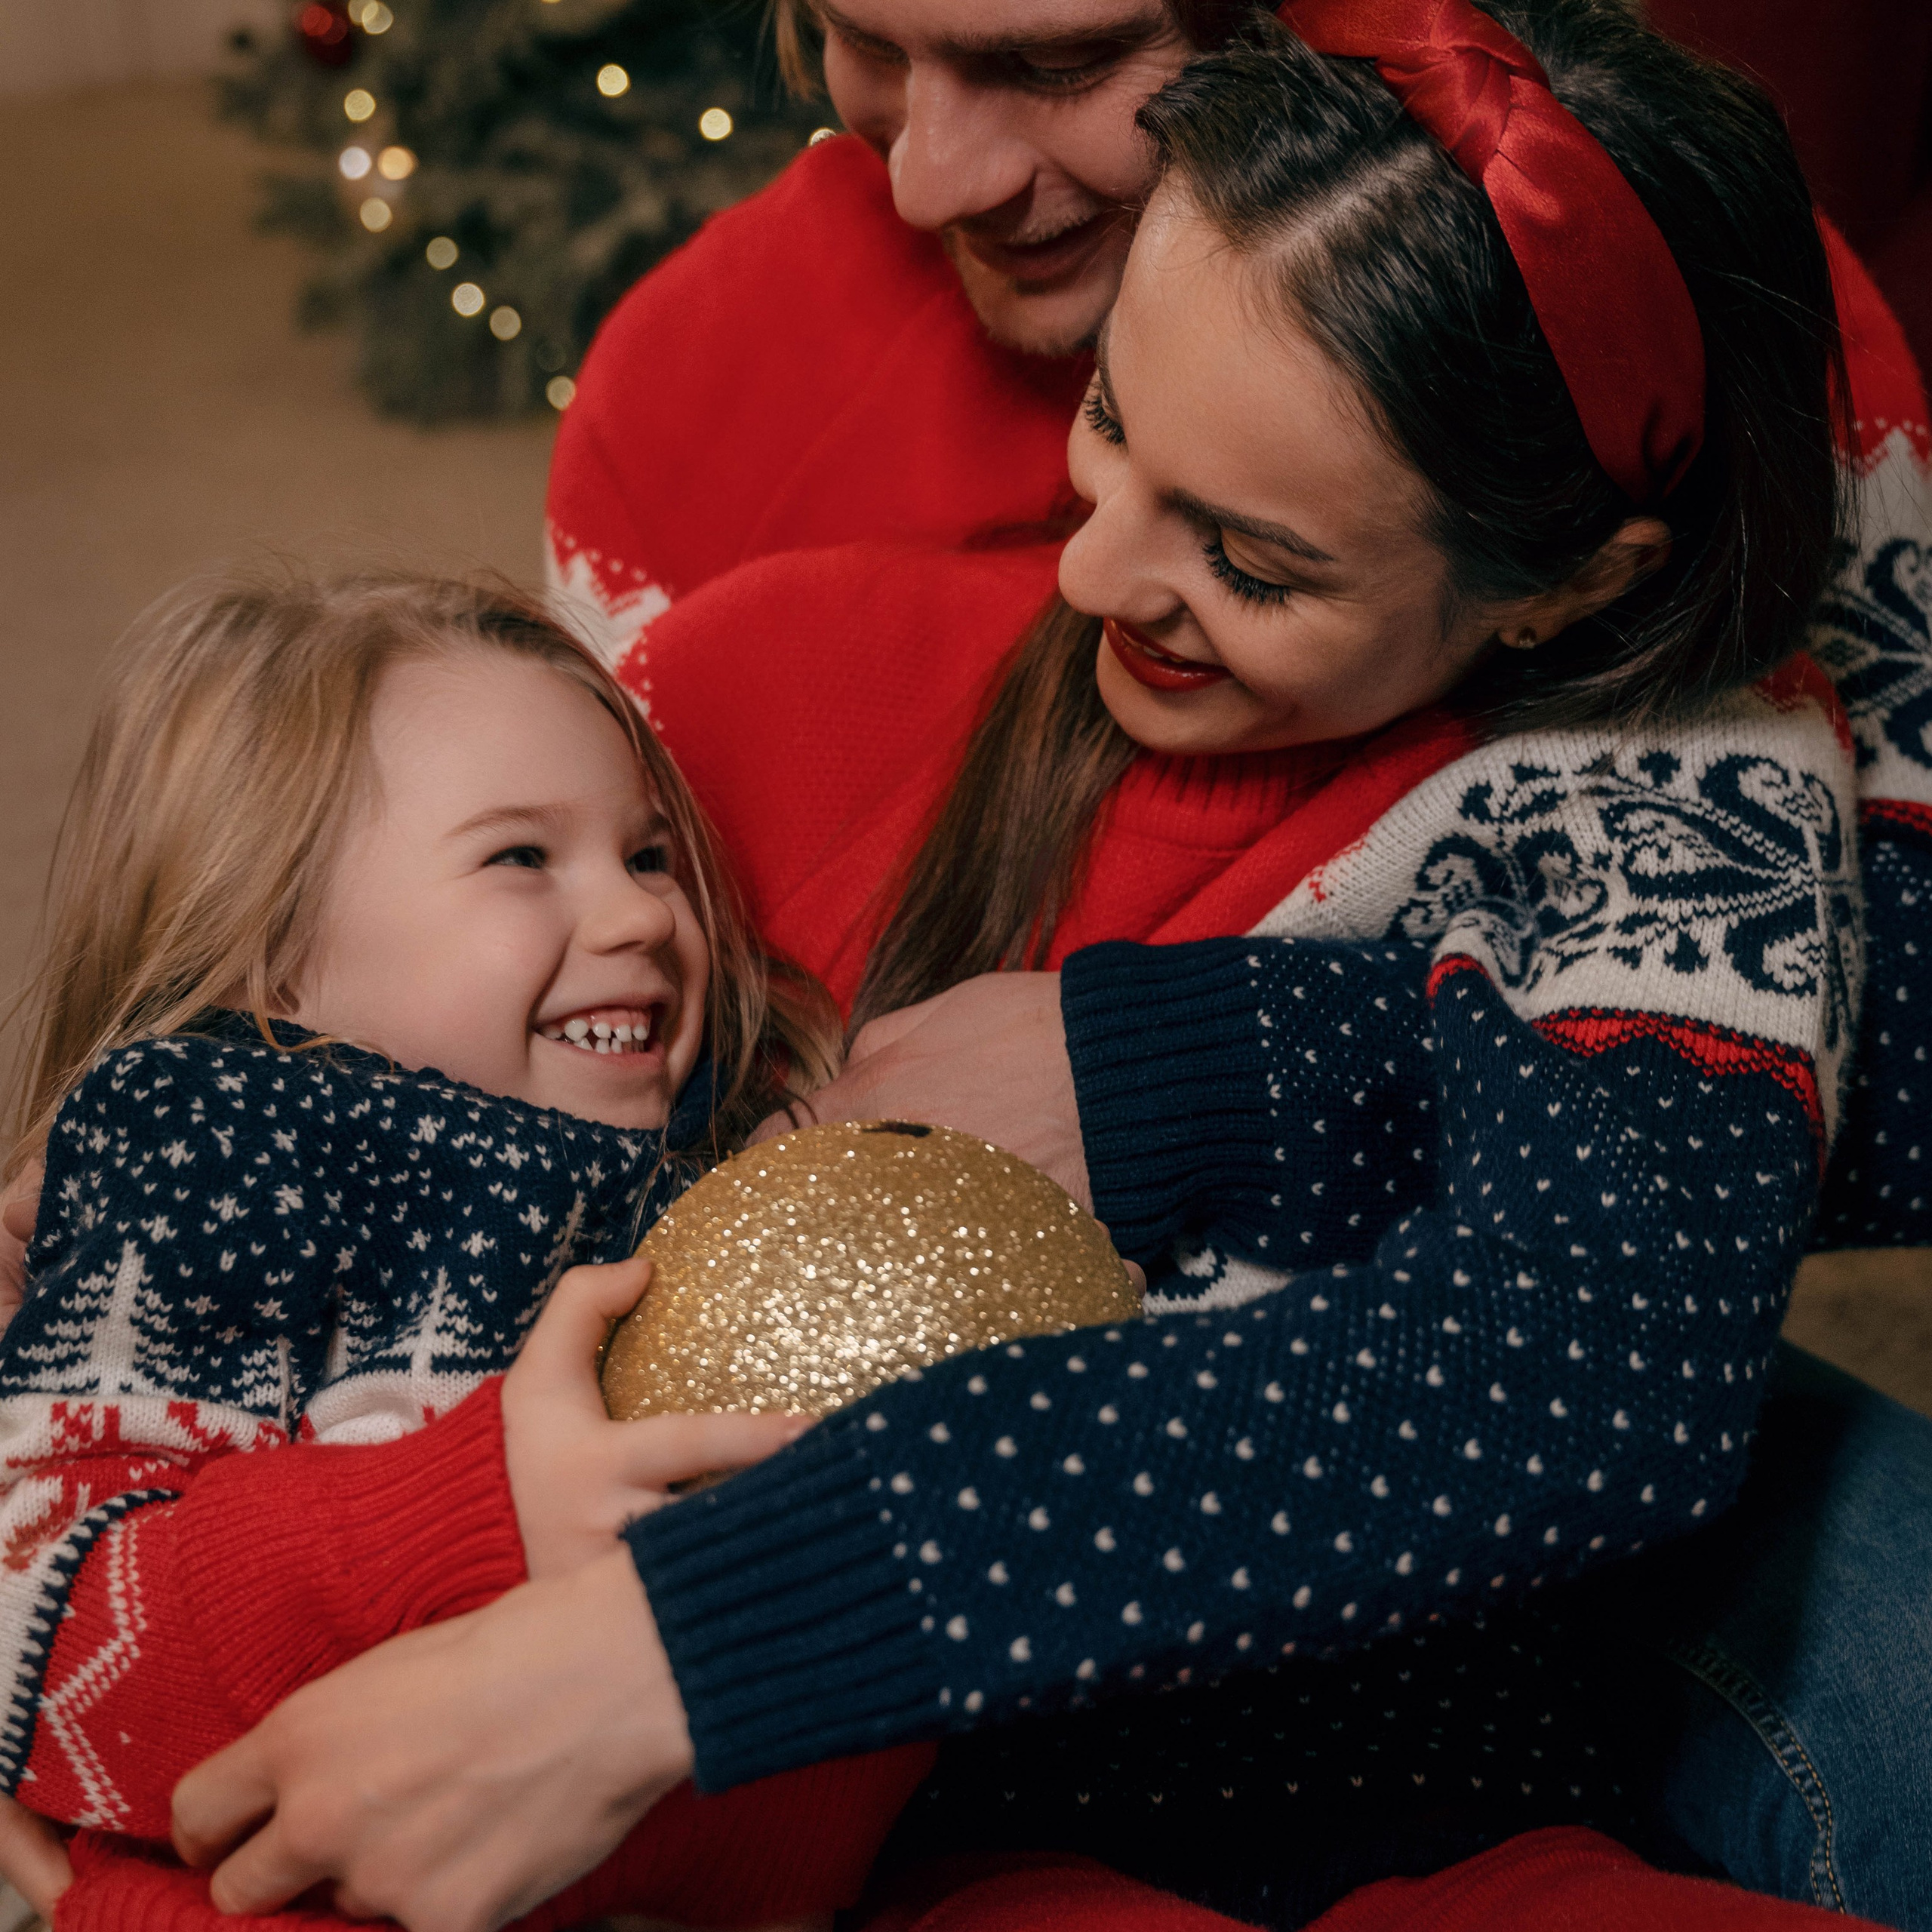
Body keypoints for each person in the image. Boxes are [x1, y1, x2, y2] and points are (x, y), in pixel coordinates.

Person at [146, 6, 1932, 1931]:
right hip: (878, 1808)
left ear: (1570, 580)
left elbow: (1579, 1356)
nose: (1088, 570)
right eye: (1105, 413)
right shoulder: (792, 651)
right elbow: (393, 946)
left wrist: (686, 1646)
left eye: (1249, 555)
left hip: (1398, 1746)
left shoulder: (1689, 786)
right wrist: (144, 1145)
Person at [0, 572, 934, 1929]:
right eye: (520, 858)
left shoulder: (730, 1188)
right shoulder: (217, 1137)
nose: (636, 920)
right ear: (275, 957)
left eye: (650, 855)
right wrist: (482, 1518)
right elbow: (45, 1612)